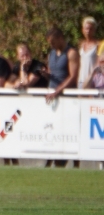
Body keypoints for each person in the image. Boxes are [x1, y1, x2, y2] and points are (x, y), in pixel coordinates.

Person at [46, 27, 80, 168]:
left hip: (67, 96)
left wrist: (57, 91)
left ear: (60, 38)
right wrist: (45, 74)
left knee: (69, 129)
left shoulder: (71, 53)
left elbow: (73, 76)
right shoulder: (51, 54)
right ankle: (54, 157)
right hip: (52, 95)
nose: (52, 45)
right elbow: (52, 72)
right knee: (52, 127)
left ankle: (75, 161)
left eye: (53, 42)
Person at [78, 17, 99, 89]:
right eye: (86, 29)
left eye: (91, 29)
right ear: (83, 30)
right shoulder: (80, 44)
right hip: (81, 80)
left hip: (93, 81)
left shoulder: (98, 45)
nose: (88, 31)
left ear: (94, 30)